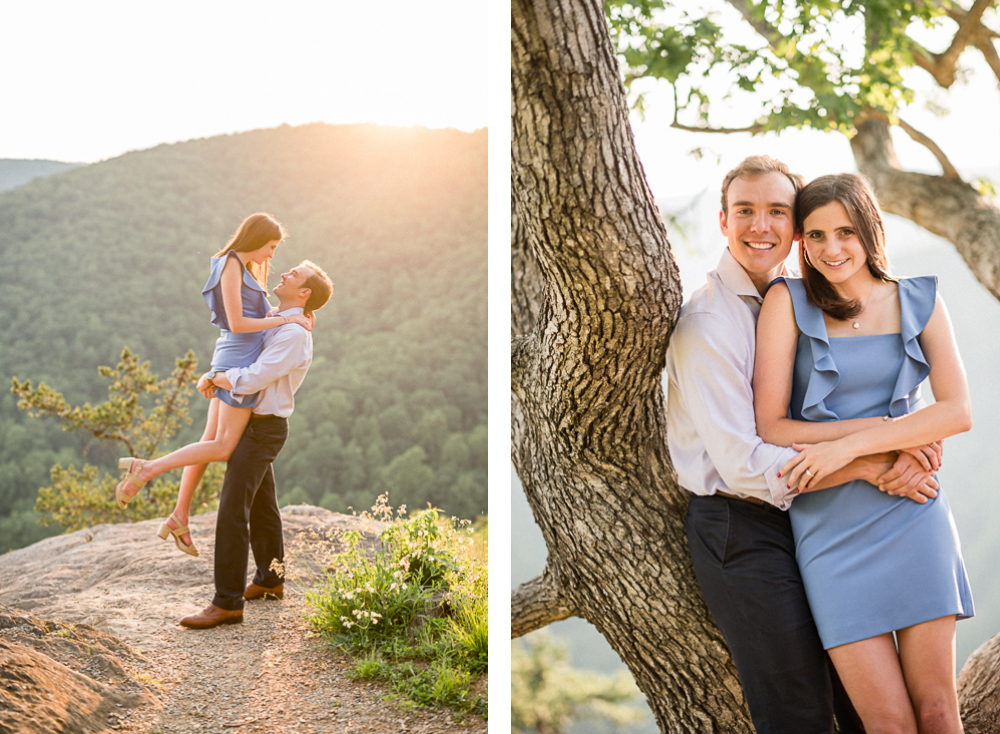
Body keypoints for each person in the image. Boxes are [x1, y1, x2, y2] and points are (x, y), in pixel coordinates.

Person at [665, 155, 941, 734]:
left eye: (776, 212)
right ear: (722, 222)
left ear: (795, 228)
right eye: (745, 212)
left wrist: (907, 439)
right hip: (740, 527)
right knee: (797, 714)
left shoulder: (799, 301)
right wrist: (872, 462)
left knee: (866, 709)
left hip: (812, 516)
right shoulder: (709, 323)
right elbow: (743, 465)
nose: (760, 226)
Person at [753, 173, 974, 733]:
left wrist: (856, 445)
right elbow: (772, 426)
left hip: (912, 505)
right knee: (888, 724)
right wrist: (884, 440)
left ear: (869, 230)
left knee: (940, 711)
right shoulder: (788, 300)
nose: (831, 249)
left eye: (845, 232)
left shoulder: (919, 299)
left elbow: (956, 411)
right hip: (831, 531)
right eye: (816, 235)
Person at [115, 213, 310, 556]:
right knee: (222, 447)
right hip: (237, 363)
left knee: (208, 441)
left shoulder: (238, 265)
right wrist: (286, 317)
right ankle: (146, 469)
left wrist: (296, 314)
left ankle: (179, 515)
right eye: (271, 247)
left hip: (231, 359)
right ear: (257, 238)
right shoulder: (233, 264)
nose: (272, 256)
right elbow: (237, 323)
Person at [179, 259, 334, 629]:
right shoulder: (278, 318)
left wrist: (216, 378)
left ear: (305, 293)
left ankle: (227, 602)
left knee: (233, 511)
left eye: (293, 274)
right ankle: (269, 580)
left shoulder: (295, 334)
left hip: (264, 428)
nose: (284, 273)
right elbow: (241, 344)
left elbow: (254, 378)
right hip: (254, 425)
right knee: (264, 507)